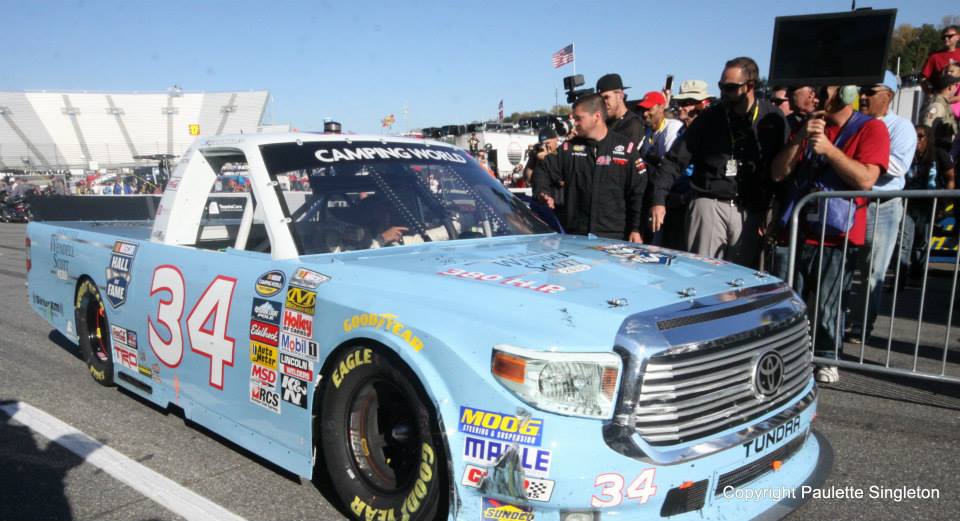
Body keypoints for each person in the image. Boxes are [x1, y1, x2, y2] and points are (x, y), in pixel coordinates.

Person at [771, 85, 890, 384]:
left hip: (838, 233)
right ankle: (786, 354)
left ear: (846, 93)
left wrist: (828, 149)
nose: (819, 96)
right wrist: (800, 138)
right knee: (788, 302)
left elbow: (865, 179)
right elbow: (777, 172)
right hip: (797, 229)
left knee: (828, 304)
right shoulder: (805, 126)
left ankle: (827, 356)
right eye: (817, 90)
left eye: (827, 90)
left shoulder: (871, 128)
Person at [651, 56, 788, 266]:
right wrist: (659, 199)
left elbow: (782, 168)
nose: (723, 93)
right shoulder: (710, 117)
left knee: (741, 282)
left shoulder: (773, 118)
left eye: (730, 88)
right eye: (721, 86)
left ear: (750, 86)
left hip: (751, 210)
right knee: (701, 275)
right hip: (709, 203)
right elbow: (675, 159)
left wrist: (775, 213)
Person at [847, 72, 918, 341]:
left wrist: (864, 159)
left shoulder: (901, 127)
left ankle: (860, 325)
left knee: (873, 271)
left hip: (883, 205)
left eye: (871, 92)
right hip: (851, 203)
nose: (863, 97)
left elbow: (898, 166)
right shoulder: (854, 123)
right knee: (842, 267)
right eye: (861, 90)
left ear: (888, 96)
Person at [532, 93, 646, 241]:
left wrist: (636, 229)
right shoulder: (569, 148)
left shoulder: (626, 149)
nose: (575, 123)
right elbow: (543, 170)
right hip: (576, 236)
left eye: (579, 118)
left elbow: (638, 191)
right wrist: (543, 192)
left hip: (614, 237)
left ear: (596, 117)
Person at [899, 125, 956, 283]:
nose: (917, 140)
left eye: (921, 136)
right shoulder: (908, 153)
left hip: (929, 206)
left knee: (921, 243)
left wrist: (944, 203)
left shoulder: (939, 154)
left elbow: (951, 177)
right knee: (905, 242)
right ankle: (900, 279)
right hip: (908, 205)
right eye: (915, 136)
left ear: (928, 138)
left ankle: (917, 276)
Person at [596, 73, 645, 146]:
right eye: (601, 100)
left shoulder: (632, 124)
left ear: (620, 95)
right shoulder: (606, 122)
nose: (603, 103)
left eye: (606, 97)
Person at [923, 73, 959, 148]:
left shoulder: (944, 104)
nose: (956, 88)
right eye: (955, 85)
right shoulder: (937, 106)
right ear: (949, 87)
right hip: (935, 149)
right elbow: (926, 128)